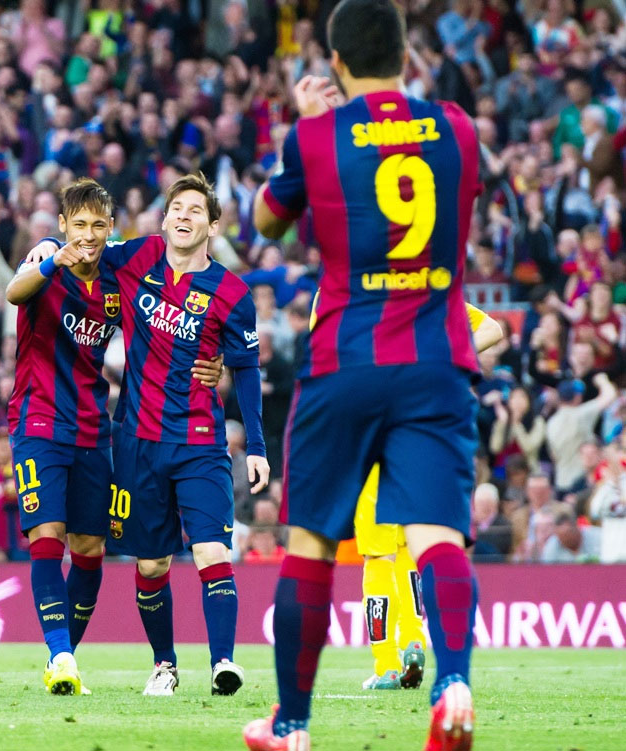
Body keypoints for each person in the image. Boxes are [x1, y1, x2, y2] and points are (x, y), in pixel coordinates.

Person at [244, 1, 482, 748]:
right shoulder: (456, 128)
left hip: (344, 358)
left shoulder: (316, 134)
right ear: (408, 55)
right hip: (436, 360)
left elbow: (267, 222)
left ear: (337, 62)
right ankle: (451, 687)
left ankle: (291, 724)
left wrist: (308, 123)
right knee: (438, 535)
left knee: (311, 542)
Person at [33, 173, 270, 697]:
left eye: (195, 210)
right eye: (176, 209)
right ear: (164, 220)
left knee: (211, 551)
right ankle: (164, 664)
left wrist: (255, 446)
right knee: (152, 561)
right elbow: (86, 243)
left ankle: (223, 663)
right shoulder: (135, 259)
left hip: (200, 442)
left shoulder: (231, 293)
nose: (184, 217)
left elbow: (248, 368)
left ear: (212, 224)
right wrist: (50, 245)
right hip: (135, 441)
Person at [6, 178, 121, 695]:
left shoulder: (119, 279)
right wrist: (54, 258)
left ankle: (63, 658)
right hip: (39, 421)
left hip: (94, 427)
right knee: (47, 536)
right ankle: (61, 655)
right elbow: (14, 291)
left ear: (111, 227)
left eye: (98, 225)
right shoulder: (47, 257)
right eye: (80, 225)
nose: (89, 235)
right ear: (63, 225)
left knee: (91, 549)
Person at [357, 304, 503, 691]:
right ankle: (415, 644)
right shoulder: (432, 284)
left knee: (377, 555)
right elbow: (493, 328)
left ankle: (387, 663)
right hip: (423, 434)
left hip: (372, 428)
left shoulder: (347, 284)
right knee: (411, 547)